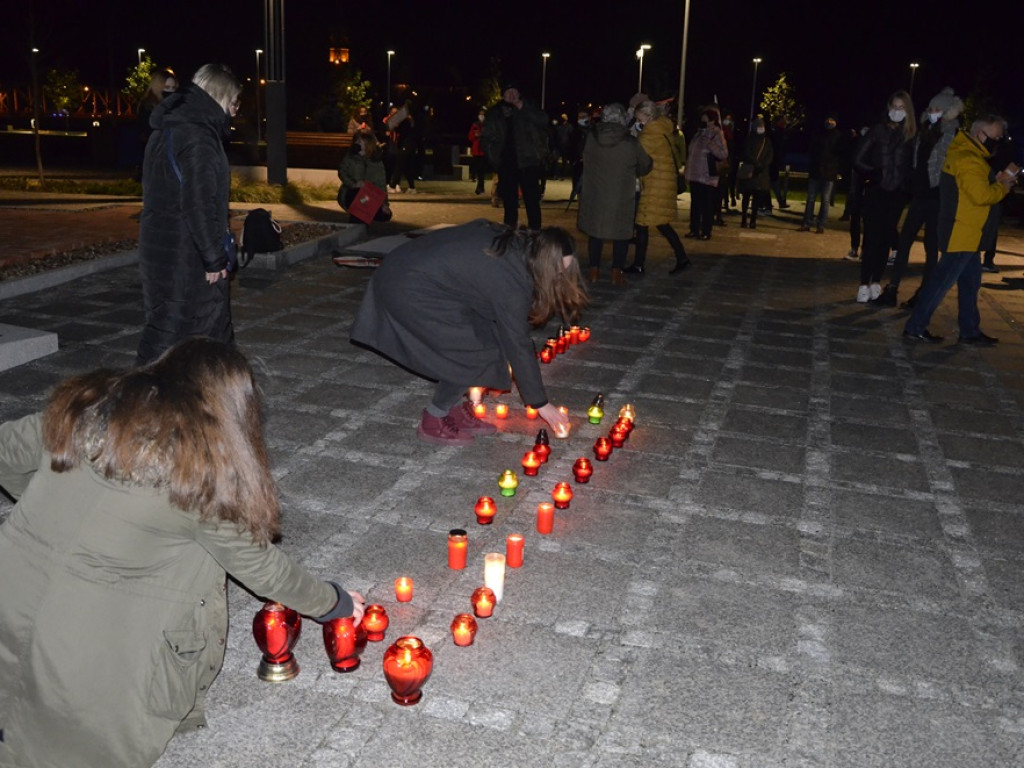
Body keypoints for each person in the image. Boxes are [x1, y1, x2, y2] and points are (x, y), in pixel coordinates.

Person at [0, 338, 365, 768]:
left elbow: (4, 449)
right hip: (79, 653)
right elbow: (264, 570)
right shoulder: (196, 473)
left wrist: (43, 519)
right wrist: (334, 602)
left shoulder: (81, 410)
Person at [350, 220, 586, 445]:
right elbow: (517, 341)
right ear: (542, 262)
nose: (558, 277)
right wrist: (541, 404)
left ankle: (454, 410)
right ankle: (434, 418)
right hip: (407, 286)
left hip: (421, 278)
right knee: (471, 353)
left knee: (486, 341)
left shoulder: (520, 247)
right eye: (556, 271)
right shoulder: (511, 278)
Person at [136, 63, 240, 367]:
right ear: (220, 98)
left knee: (210, 337)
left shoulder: (171, 127)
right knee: (168, 342)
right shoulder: (198, 137)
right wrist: (213, 258)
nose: (235, 112)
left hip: (163, 249)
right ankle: (136, 408)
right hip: (185, 256)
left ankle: (216, 404)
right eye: (234, 103)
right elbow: (198, 203)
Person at [903, 115, 1017, 344]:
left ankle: (969, 331)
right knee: (940, 284)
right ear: (980, 134)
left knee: (970, 284)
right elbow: (981, 196)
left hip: (967, 233)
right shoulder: (969, 159)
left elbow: (971, 189)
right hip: (961, 233)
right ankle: (915, 327)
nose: (997, 142)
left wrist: (994, 181)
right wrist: (1002, 186)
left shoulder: (968, 154)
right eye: (995, 137)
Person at [876, 88, 962, 307]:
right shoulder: (923, 130)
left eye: (938, 109)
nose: (933, 112)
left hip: (937, 198)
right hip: (919, 195)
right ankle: (892, 289)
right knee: (904, 243)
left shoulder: (953, 134)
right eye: (931, 108)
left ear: (948, 112)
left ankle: (923, 294)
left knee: (931, 249)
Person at [577, 102, 652, 285]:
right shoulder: (630, 142)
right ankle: (616, 272)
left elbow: (582, 157)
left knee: (595, 231)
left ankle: (594, 271)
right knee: (621, 232)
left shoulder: (591, 138)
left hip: (594, 192)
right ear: (621, 119)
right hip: (620, 194)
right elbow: (646, 164)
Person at [852, 90, 915, 303]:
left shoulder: (911, 136)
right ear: (888, 109)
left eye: (901, 108)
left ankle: (876, 281)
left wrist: (907, 187)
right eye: (894, 107)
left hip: (897, 195)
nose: (897, 112)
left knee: (886, 238)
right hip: (876, 191)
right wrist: (874, 173)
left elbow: (913, 165)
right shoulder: (877, 131)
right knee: (871, 237)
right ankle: (863, 283)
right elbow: (858, 158)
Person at [626, 99, 690, 275]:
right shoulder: (664, 128)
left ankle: (639, 264)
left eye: (640, 119)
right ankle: (682, 258)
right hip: (664, 181)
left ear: (648, 116)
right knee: (661, 223)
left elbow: (639, 159)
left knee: (643, 223)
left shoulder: (648, 135)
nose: (639, 122)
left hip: (654, 183)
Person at [481, 84, 549, 230]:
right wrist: (494, 159)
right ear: (503, 94)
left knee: (532, 202)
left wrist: (521, 107)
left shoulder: (528, 107)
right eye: (508, 91)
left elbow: (543, 121)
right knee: (510, 204)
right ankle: (509, 236)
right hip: (507, 163)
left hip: (528, 161)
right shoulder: (496, 112)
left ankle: (535, 235)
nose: (511, 94)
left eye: (514, 91)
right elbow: (486, 137)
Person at [684, 108, 728, 240]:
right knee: (695, 204)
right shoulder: (698, 133)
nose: (702, 121)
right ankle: (694, 229)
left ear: (712, 120)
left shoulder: (716, 133)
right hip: (695, 175)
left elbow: (723, 154)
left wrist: (709, 144)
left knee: (706, 205)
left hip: (707, 176)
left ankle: (706, 230)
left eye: (705, 118)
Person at [337, 132, 392, 223]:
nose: (357, 143)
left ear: (367, 144)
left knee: (385, 214)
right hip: (351, 192)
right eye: (357, 141)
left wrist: (384, 203)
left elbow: (381, 183)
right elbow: (342, 172)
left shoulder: (376, 161)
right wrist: (354, 184)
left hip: (368, 196)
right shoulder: (351, 156)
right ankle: (358, 220)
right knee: (359, 199)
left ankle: (360, 217)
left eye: (360, 141)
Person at [134, 68, 179, 180]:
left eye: (173, 88)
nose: (170, 92)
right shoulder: (148, 106)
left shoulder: (175, 105)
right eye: (167, 88)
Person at [799, 114, 842, 233]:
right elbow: (812, 151)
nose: (829, 121)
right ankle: (807, 223)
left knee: (825, 199)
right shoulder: (818, 134)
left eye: (832, 120)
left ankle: (821, 225)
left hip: (829, 172)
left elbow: (840, 154)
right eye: (828, 119)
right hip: (816, 171)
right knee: (811, 198)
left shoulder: (838, 136)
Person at [737, 117, 773, 230]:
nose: (761, 129)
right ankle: (744, 219)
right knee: (746, 197)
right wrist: (756, 163)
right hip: (750, 172)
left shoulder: (767, 141)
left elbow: (770, 155)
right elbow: (746, 153)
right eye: (759, 127)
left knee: (756, 200)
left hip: (760, 174)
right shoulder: (749, 140)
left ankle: (753, 220)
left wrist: (762, 165)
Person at [385, 103, 417, 194]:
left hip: (405, 145)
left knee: (399, 165)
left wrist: (395, 126)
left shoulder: (405, 121)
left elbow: (401, 130)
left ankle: (392, 186)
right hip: (409, 146)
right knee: (408, 167)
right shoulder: (409, 120)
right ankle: (412, 187)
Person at [468, 110, 487, 195]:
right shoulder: (475, 124)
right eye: (480, 114)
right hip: (476, 150)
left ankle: (480, 187)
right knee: (476, 167)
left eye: (483, 114)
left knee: (481, 170)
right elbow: (470, 137)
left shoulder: (487, 125)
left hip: (484, 150)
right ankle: (479, 185)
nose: (481, 116)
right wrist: (475, 135)